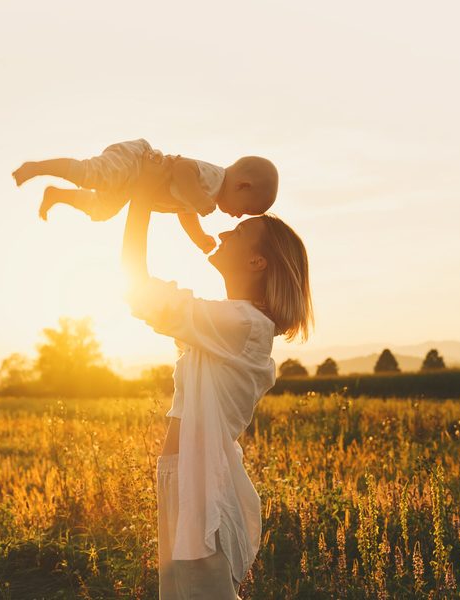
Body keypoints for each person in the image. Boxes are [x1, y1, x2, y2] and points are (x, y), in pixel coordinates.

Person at [120, 159, 312, 598]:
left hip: (200, 482)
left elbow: (141, 294)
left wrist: (140, 200)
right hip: (182, 475)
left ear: (257, 261)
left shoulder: (243, 325)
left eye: (239, 233)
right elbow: (156, 299)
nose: (224, 233)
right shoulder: (230, 323)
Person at [12, 139, 279, 254]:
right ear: (243, 186)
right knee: (92, 174)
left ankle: (57, 195)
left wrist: (199, 238)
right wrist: (198, 198)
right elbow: (182, 168)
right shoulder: (215, 178)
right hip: (136, 162)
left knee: (102, 211)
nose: (237, 216)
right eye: (244, 210)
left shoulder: (209, 191)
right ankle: (37, 167)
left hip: (134, 186)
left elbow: (185, 214)